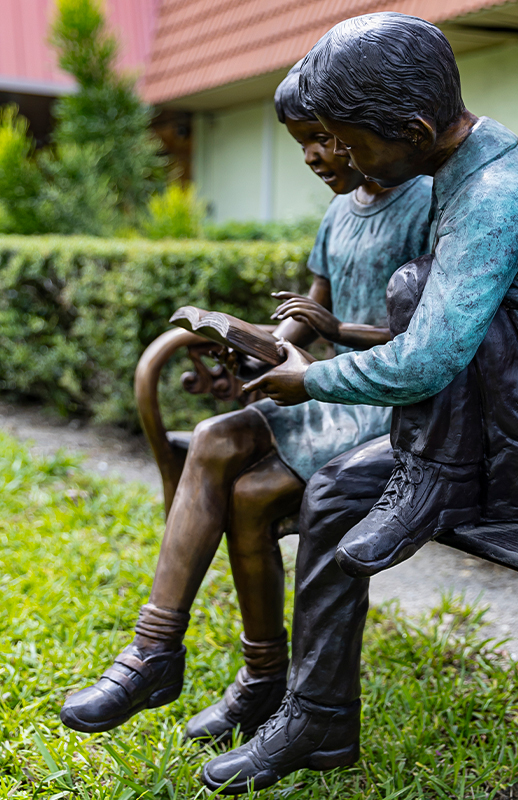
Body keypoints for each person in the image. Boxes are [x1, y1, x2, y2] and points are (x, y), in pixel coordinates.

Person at [201, 12, 518, 795]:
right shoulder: (455, 168)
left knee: (413, 288)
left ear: (414, 129)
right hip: (473, 433)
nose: (345, 158)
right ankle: (318, 717)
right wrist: (324, 337)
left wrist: (308, 378)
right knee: (334, 491)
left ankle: (434, 479)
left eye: (352, 143)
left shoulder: (496, 192)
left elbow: (429, 359)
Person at [59, 63, 433, 742]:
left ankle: (260, 679)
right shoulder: (339, 213)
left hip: (383, 400)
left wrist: (334, 334)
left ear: (358, 133)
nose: (317, 155)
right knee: (214, 436)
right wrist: (262, 339)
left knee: (252, 495)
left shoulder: (427, 201)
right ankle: (154, 650)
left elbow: (426, 340)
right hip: (326, 387)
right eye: (303, 144)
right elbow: (310, 310)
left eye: (324, 138)